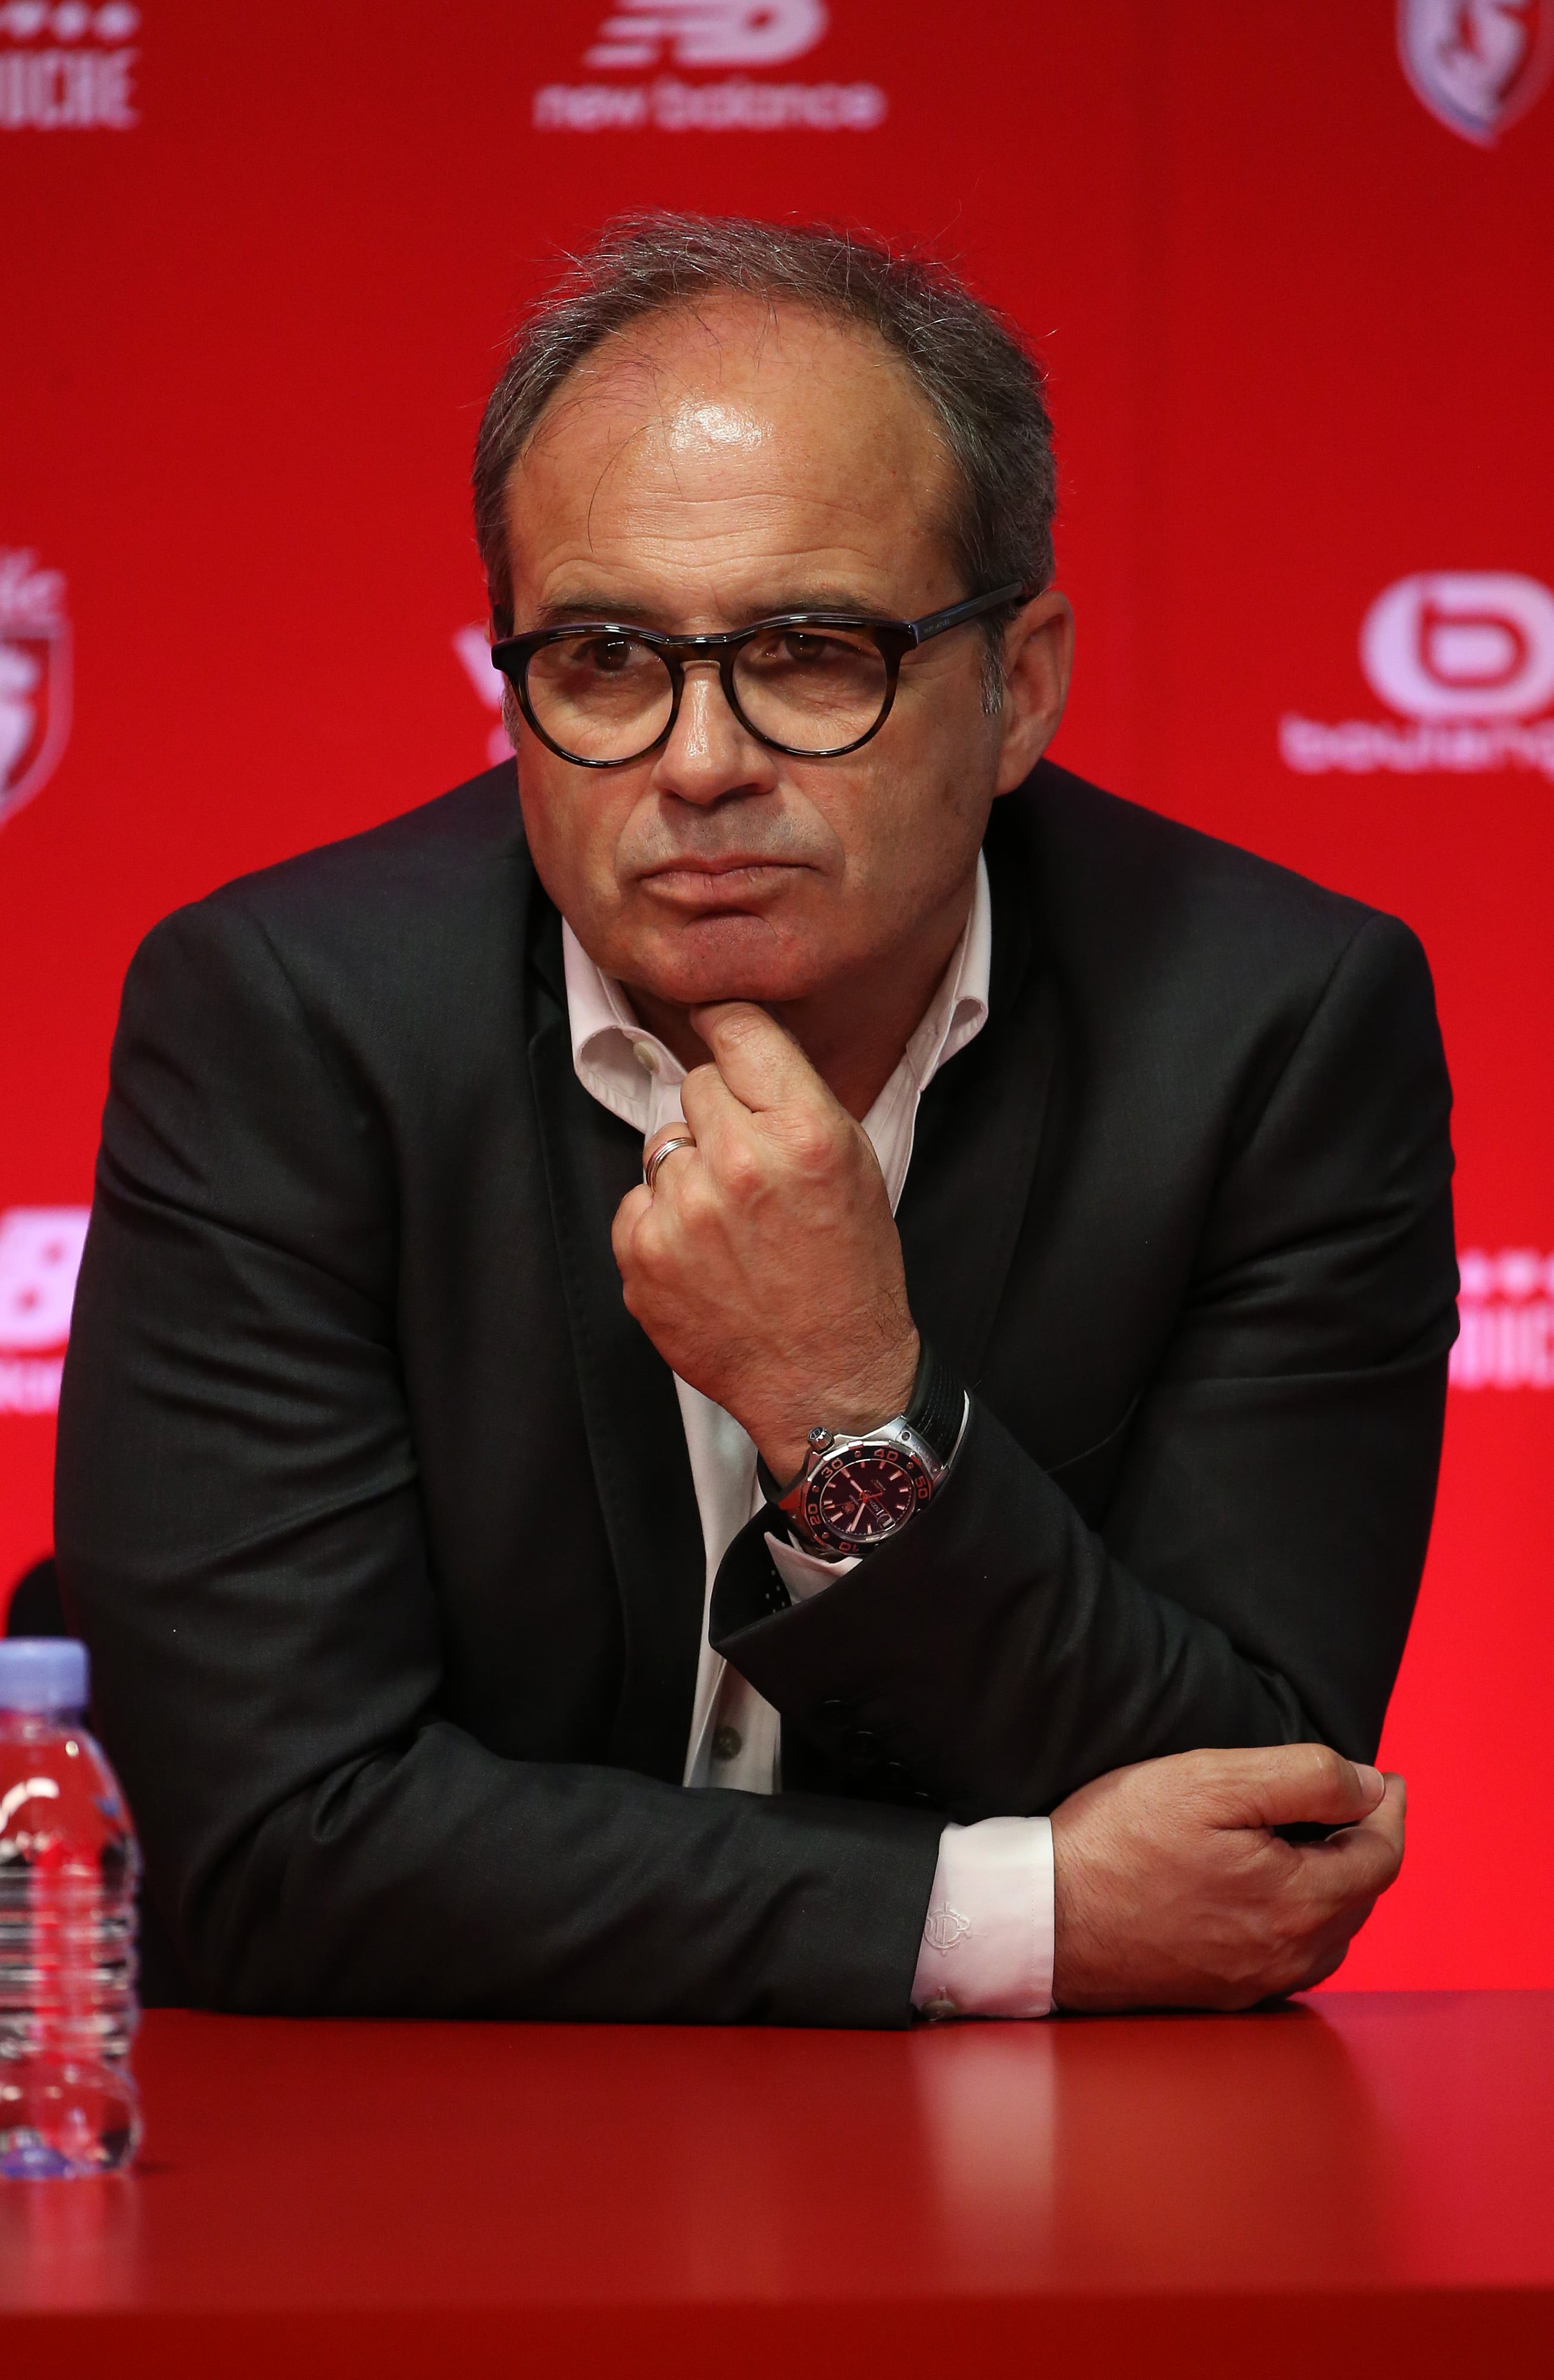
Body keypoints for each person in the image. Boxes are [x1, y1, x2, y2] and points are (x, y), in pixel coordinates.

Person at [55, 215, 1454, 2027]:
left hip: (1027, 2190)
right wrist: (1007, 1914)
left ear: (1015, 686)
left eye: (806, 650)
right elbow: (259, 1842)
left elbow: (1253, 1824)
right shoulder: (283, 1022)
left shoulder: (1270, 1031)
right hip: (422, 2147)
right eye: (603, 660)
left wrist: (848, 1410)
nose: (697, 760)